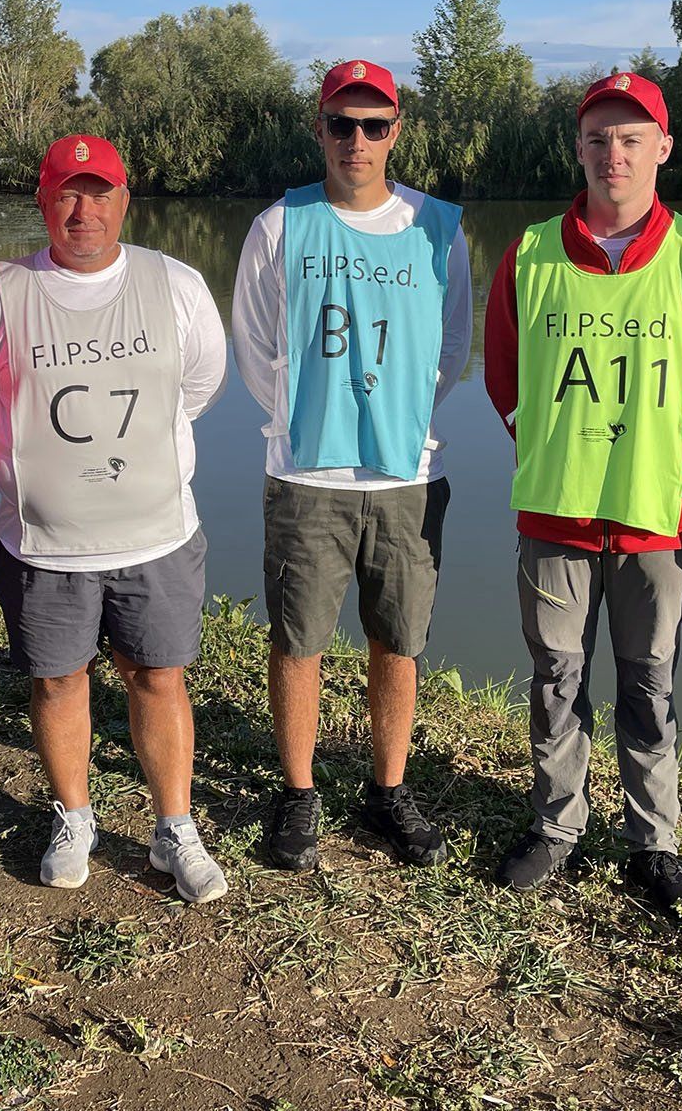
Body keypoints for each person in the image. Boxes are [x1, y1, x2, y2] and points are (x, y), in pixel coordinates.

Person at [483, 71, 682, 907]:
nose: (614, 154)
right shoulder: (529, 252)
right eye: (599, 138)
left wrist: (666, 461)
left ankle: (653, 843)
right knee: (557, 677)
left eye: (632, 139)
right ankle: (558, 825)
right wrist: (567, 451)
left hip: (656, 518)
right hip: (556, 513)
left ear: (662, 149)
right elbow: (505, 379)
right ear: (578, 148)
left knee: (648, 683)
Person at [0, 135, 230, 902]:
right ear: (43, 201)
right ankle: (75, 816)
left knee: (159, 677)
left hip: (157, 534)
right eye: (68, 193)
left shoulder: (174, 284)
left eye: (100, 192)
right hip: (45, 542)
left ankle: (176, 828)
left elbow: (200, 381)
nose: (85, 210)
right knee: (58, 682)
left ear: (124, 200)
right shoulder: (0, 294)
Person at [231, 59, 471, 870]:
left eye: (374, 125)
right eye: (342, 123)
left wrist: (393, 410)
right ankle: (298, 794)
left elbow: (452, 349)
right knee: (299, 640)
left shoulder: (438, 226)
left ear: (396, 131)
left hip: (405, 473)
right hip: (306, 476)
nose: (357, 140)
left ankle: (387, 791)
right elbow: (256, 347)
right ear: (320, 129)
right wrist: (313, 414)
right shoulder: (280, 225)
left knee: (396, 640)